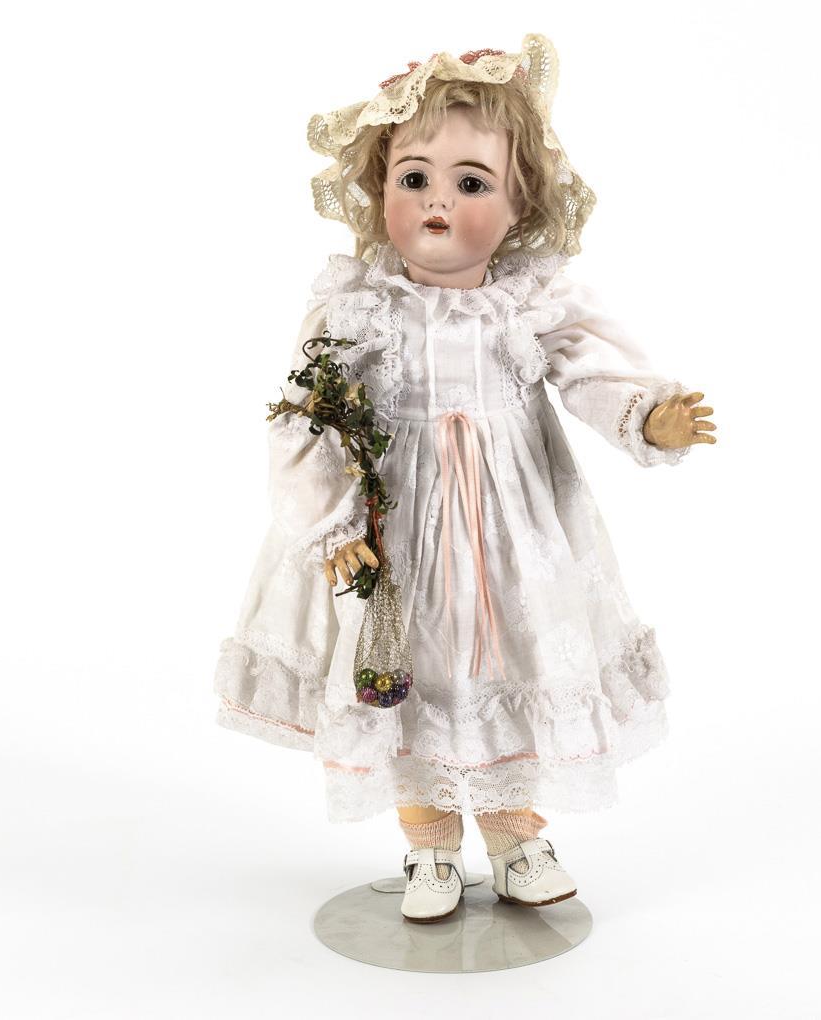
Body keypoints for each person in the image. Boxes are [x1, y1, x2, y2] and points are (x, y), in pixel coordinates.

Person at [212, 33, 716, 923]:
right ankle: (430, 848)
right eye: (414, 178)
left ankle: (517, 838)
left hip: (515, 529)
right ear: (379, 188)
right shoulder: (357, 305)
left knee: (514, 656)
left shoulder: (529, 299)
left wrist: (644, 412)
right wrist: (333, 525)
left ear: (521, 204)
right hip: (395, 528)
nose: (438, 200)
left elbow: (588, 365)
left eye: (472, 182)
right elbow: (303, 417)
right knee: (405, 676)